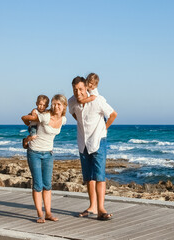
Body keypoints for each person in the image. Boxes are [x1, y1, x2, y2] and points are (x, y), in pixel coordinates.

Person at [68, 76, 117, 221]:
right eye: (75, 90)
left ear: (86, 88)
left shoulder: (97, 100)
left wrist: (104, 128)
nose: (78, 93)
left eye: (81, 89)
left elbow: (113, 114)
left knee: (99, 176)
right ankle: (92, 207)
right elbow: (74, 114)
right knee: (89, 177)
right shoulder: (71, 101)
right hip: (83, 142)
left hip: (98, 140)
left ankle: (101, 208)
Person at [21, 94, 67, 223]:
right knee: (38, 185)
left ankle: (48, 213)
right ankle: (40, 214)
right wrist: (28, 117)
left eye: (59, 104)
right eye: (54, 103)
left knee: (47, 185)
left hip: (48, 154)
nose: (56, 106)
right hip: (34, 153)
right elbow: (26, 119)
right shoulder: (45, 116)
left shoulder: (63, 120)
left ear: (64, 106)